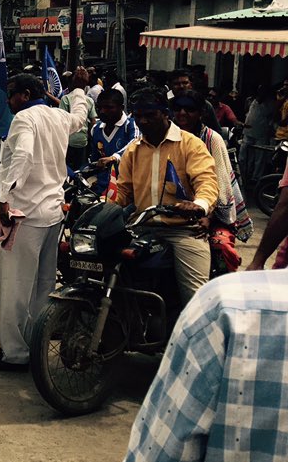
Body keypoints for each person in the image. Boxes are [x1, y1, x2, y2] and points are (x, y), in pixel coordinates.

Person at [120, 269, 288, 462]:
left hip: (185, 233)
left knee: (198, 295)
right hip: (152, 231)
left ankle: (186, 324)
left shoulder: (224, 305)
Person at [0, 68, 91, 372]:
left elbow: (23, 156)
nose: (9, 101)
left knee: (13, 286)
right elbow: (80, 117)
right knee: (42, 286)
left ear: (25, 95)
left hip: (25, 215)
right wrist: (78, 90)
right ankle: (35, 346)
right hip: (52, 213)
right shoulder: (57, 116)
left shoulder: (24, 119)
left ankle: (14, 353)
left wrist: (4, 197)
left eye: (12, 94)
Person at [112, 87, 218, 305]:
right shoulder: (133, 150)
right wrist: (101, 208)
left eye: (149, 115)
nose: (142, 121)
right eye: (138, 116)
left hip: (183, 231)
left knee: (196, 300)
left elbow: (206, 181)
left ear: (165, 114)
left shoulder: (191, 144)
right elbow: (122, 192)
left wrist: (199, 204)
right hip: (142, 228)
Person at [172, 90, 252, 251]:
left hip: (208, 210)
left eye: (189, 109)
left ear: (201, 113)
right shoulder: (168, 137)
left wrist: (208, 216)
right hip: (171, 209)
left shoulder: (212, 139)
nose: (182, 113)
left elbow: (221, 183)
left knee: (221, 248)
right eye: (178, 109)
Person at [87, 88, 139, 196]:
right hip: (102, 189)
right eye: (99, 108)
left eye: (108, 107)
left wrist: (115, 157)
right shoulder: (96, 129)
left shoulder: (130, 125)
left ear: (122, 108)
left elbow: (135, 142)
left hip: (127, 189)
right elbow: (95, 160)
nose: (102, 111)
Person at [60, 80, 98, 170]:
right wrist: (90, 136)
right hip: (83, 140)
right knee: (80, 168)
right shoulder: (89, 100)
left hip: (68, 140)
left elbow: (62, 121)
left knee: (67, 168)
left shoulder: (65, 99)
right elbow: (93, 121)